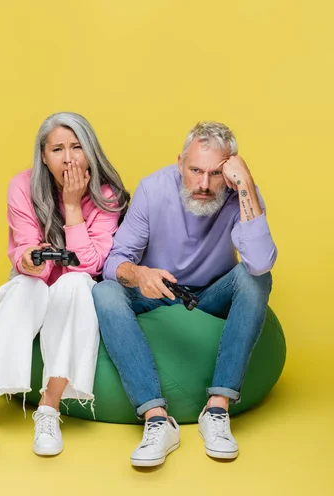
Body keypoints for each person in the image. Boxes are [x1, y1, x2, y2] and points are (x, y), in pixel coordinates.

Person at [93, 121, 277, 466]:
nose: (204, 185)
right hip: (158, 290)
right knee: (105, 292)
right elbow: (114, 262)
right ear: (180, 163)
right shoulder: (153, 189)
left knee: (256, 280)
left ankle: (217, 408)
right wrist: (138, 273)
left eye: (215, 174)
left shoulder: (242, 194)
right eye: (195, 170)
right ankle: (157, 418)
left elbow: (261, 262)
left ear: (230, 171)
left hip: (210, 295)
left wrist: (246, 184)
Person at [0, 112, 129, 456]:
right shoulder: (21, 186)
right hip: (27, 293)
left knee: (79, 283)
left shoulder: (107, 196)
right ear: (43, 155)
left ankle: (49, 409)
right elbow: (23, 251)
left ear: (90, 150)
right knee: (29, 286)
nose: (68, 158)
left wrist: (71, 205)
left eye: (77, 147)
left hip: (72, 301)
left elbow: (91, 264)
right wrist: (28, 259)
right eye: (58, 149)